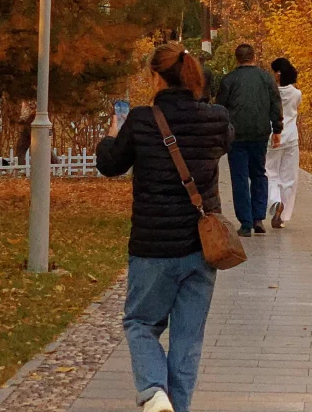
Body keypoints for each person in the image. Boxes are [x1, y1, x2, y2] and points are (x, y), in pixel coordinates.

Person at [97, 42, 232, 412]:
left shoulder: (141, 120)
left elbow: (110, 164)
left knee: (140, 322)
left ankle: (154, 391)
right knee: (188, 341)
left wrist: (113, 132)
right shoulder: (216, 118)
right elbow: (226, 139)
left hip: (152, 248)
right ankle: (176, 406)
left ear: (156, 76)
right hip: (203, 247)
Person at [216, 42, 282, 237]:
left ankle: (245, 222)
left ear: (237, 59)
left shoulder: (229, 80)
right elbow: (275, 104)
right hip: (260, 133)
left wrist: (220, 132)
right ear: (254, 57)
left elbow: (220, 108)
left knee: (240, 177)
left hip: (236, 135)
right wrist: (277, 129)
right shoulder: (266, 78)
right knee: (259, 174)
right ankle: (258, 217)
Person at [266, 57, 302, 229]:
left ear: (278, 74)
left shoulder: (270, 93)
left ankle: (274, 202)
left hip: (273, 137)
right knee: (289, 177)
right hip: (291, 138)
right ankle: (284, 215)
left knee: (270, 172)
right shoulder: (296, 94)